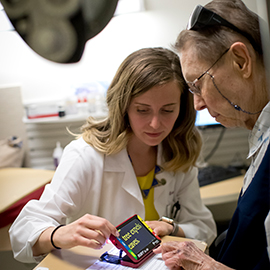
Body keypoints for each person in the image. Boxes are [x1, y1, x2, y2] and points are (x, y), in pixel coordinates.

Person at [9, 47, 217, 263]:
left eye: (167, 110)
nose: (156, 124)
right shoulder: (85, 156)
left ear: (182, 109)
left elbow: (204, 228)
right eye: (142, 110)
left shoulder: (178, 153)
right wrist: (59, 234)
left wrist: (172, 227)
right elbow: (22, 232)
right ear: (124, 106)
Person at [154, 1, 270, 269]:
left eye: (198, 84)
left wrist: (205, 266)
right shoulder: (261, 135)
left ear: (241, 61)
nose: (197, 105)